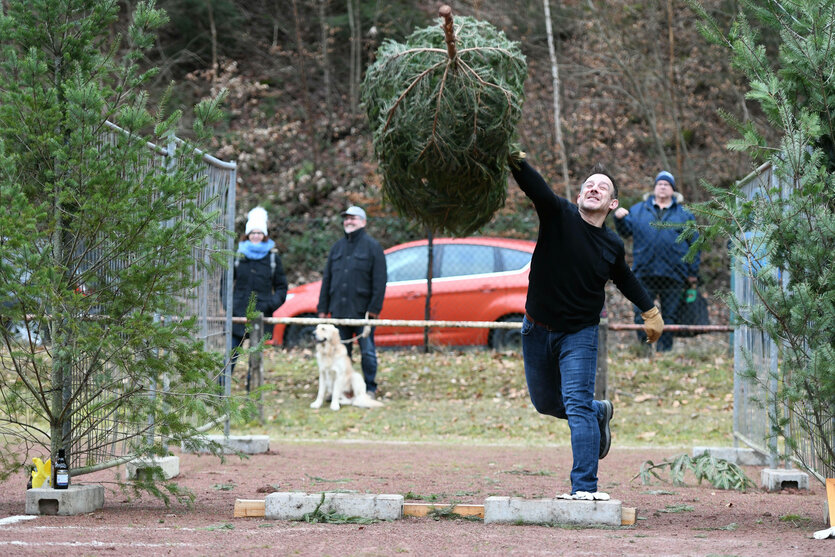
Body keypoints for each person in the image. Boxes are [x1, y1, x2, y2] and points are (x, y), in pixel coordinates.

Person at [509, 152, 663, 500]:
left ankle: (585, 489)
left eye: (602, 188)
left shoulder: (611, 245)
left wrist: (649, 310)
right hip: (536, 328)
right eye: (588, 185)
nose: (594, 189)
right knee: (546, 403)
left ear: (612, 204)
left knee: (576, 402)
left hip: (579, 333)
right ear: (579, 197)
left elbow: (625, 279)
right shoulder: (558, 215)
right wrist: (515, 162)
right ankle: (599, 414)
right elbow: (538, 190)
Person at [613, 171, 700, 351]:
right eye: (659, 184)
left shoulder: (684, 214)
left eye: (666, 184)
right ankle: (644, 350)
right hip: (644, 272)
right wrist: (619, 218)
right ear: (654, 188)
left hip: (674, 273)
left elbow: (695, 243)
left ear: (673, 190)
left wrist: (693, 273)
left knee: (670, 316)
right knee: (640, 314)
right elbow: (626, 231)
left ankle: (664, 352)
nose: (662, 186)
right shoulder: (638, 210)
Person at [317, 205, 387, 399]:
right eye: (346, 218)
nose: (349, 221)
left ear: (363, 222)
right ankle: (341, 390)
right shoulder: (337, 248)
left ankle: (370, 388)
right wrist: (323, 308)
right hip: (339, 311)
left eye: (353, 218)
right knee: (340, 353)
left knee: (368, 352)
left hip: (362, 312)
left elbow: (380, 280)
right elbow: (327, 280)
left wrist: (374, 308)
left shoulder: (373, 247)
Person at [229, 206, 288, 391]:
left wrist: (270, 305)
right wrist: (229, 305)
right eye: (252, 232)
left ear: (264, 234)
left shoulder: (272, 259)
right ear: (247, 234)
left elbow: (281, 287)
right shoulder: (238, 256)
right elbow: (225, 284)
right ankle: (221, 389)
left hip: (260, 315)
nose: (255, 235)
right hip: (238, 314)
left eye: (259, 232)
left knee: (255, 358)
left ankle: (252, 390)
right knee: (230, 355)